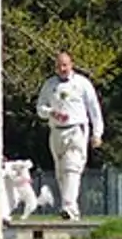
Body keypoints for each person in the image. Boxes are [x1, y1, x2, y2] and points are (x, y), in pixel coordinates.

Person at [34, 49, 104, 220]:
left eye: (65, 65)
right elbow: (40, 109)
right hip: (56, 132)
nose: (62, 68)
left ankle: (69, 207)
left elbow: (94, 110)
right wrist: (52, 112)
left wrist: (97, 133)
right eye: (59, 66)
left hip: (76, 130)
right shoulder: (49, 85)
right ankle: (71, 208)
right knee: (60, 172)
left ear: (71, 65)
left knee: (72, 167)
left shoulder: (82, 83)